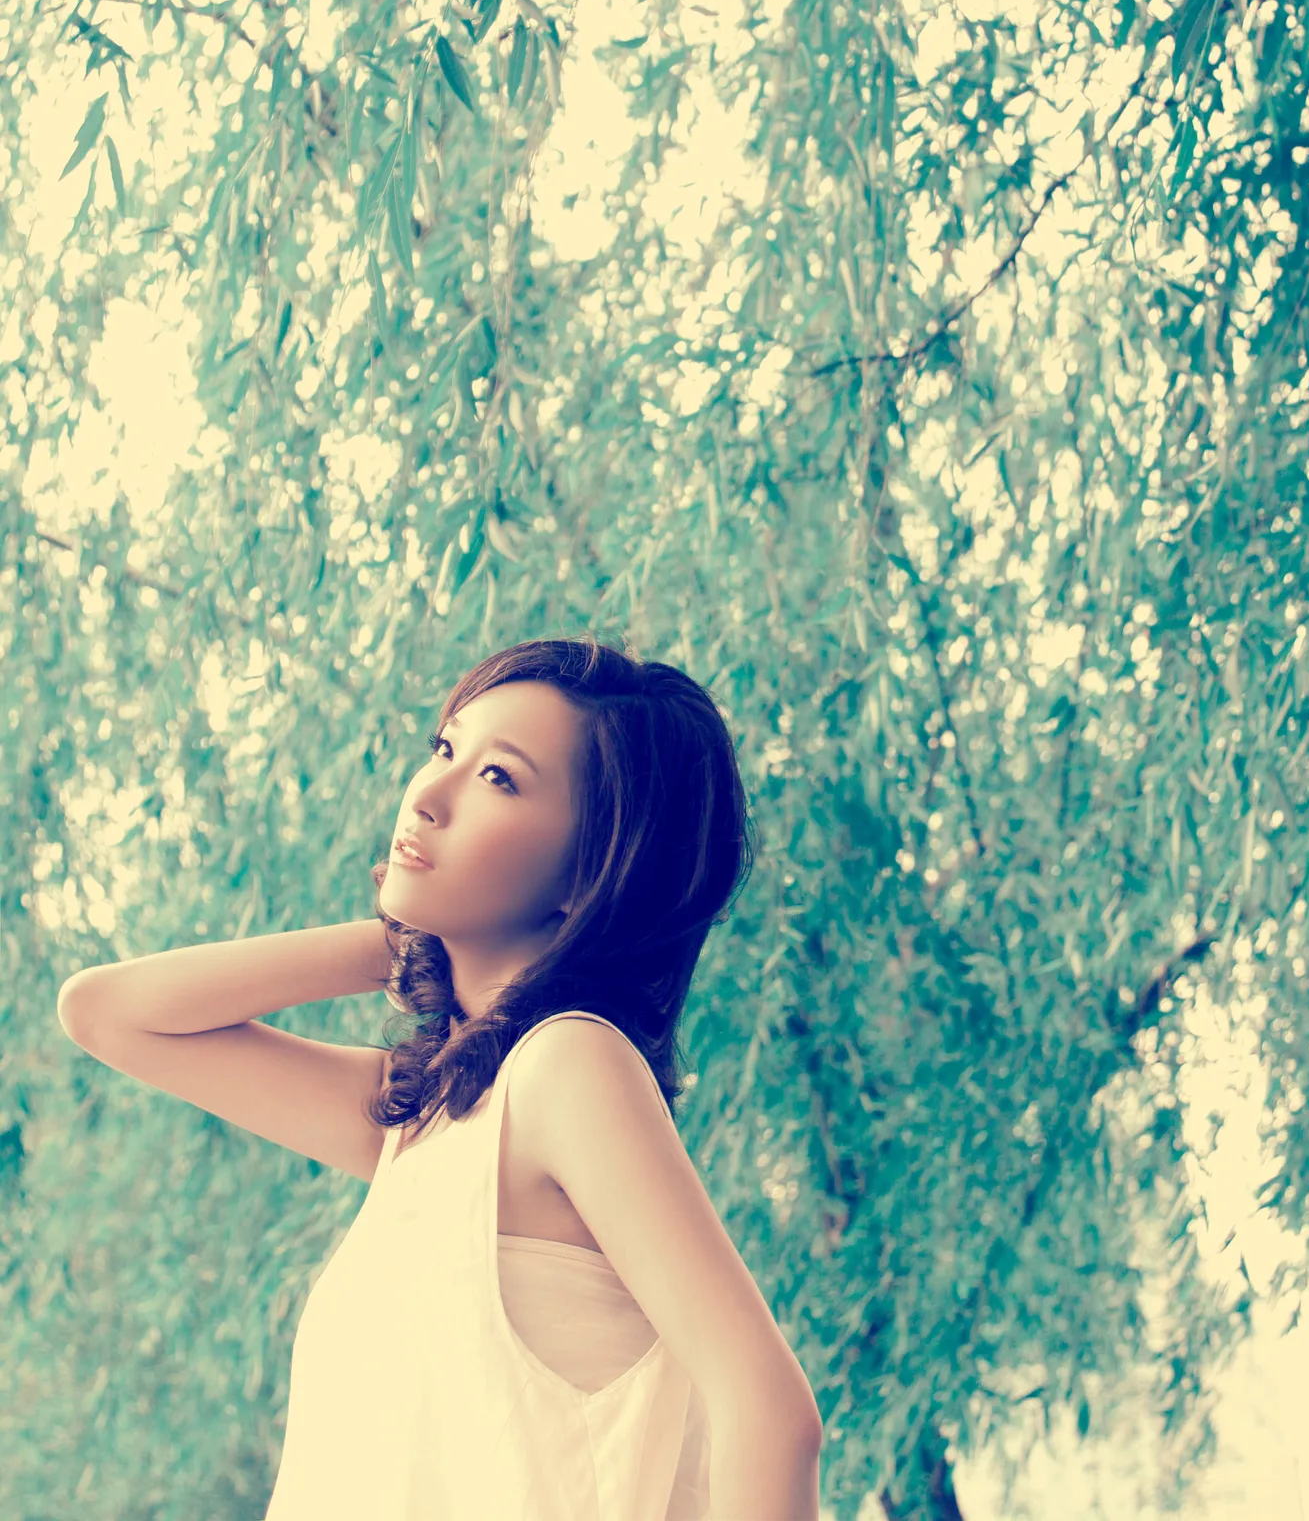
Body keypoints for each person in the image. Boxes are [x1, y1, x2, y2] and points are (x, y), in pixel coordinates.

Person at [57, 635, 824, 1520]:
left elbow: (768, 1410)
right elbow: (107, 1012)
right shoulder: (425, 1117)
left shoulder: (567, 1066)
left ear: (591, 869)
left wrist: (413, 932)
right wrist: (400, 942)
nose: (427, 795)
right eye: (445, 748)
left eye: (498, 777)